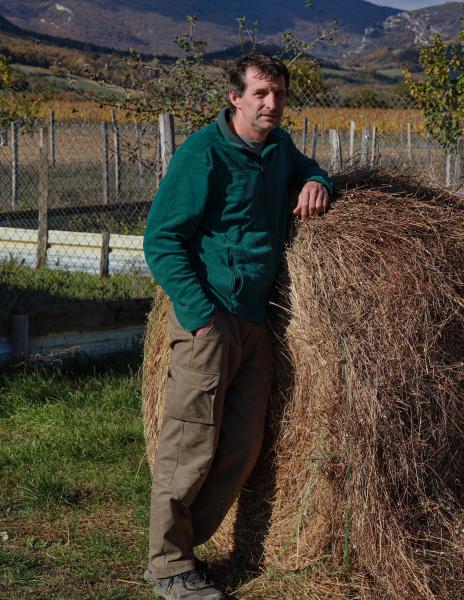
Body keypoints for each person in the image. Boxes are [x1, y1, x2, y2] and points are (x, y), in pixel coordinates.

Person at [142, 53, 331, 600]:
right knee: (190, 440)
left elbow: (307, 169)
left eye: (278, 94)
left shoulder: (278, 150)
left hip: (255, 317)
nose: (271, 104)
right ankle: (167, 564)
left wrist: (316, 181)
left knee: (244, 440)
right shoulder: (203, 154)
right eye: (261, 94)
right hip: (210, 314)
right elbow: (162, 240)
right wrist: (199, 317)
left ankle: (186, 549)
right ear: (236, 98)